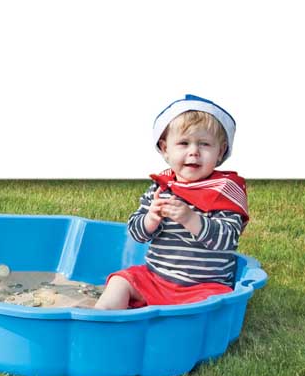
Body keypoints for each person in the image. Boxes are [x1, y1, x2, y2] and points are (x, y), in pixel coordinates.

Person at [95, 95, 249, 310]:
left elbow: (228, 240)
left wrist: (191, 219)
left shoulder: (223, 191)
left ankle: (181, 319)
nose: (194, 151)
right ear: (165, 149)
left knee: (213, 304)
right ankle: (103, 317)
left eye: (204, 144)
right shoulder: (161, 188)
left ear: (220, 151)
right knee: (121, 281)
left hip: (203, 287)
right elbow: (136, 233)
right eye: (184, 143)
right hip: (155, 280)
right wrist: (150, 219)